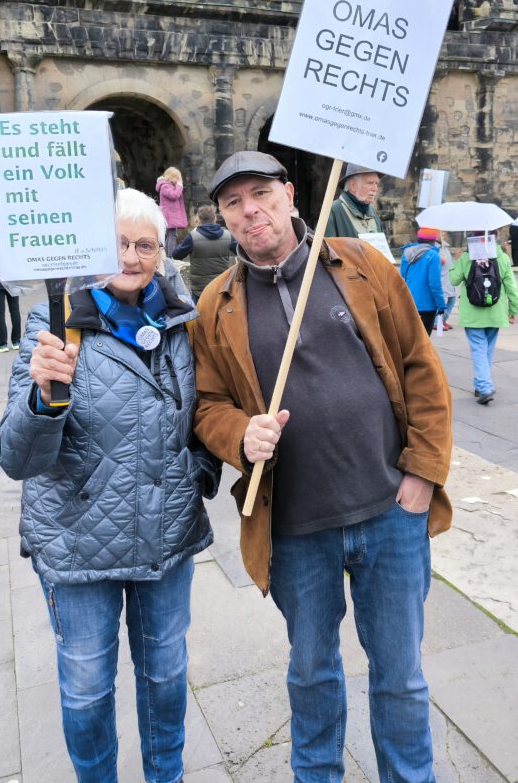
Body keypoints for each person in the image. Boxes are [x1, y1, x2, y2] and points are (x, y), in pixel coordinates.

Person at [191, 151, 452, 783]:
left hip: (390, 512)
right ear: (223, 217)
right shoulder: (215, 304)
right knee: (311, 674)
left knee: (401, 677)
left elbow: (421, 367)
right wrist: (239, 435)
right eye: (234, 202)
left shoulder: (360, 265)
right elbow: (207, 404)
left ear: (290, 195)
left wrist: (421, 474)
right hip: (295, 527)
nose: (250, 210)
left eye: (261, 193)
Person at [0, 189, 220, 783]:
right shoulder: (55, 319)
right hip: (77, 542)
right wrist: (44, 398)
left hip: (165, 537)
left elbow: (205, 412)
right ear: (91, 247)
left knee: (166, 677)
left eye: (145, 244)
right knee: (88, 687)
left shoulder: (181, 318)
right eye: (118, 242)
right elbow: (16, 459)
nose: (131, 255)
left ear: (162, 250)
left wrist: (199, 472)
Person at [449, 229, 518, 404]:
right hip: (495, 312)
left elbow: (453, 280)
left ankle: (484, 387)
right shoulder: (501, 257)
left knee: (478, 349)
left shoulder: (466, 257)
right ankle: (482, 384)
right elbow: (511, 286)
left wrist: (455, 261)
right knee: (487, 349)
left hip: (473, 314)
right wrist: (513, 309)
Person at [172, 203, 236, 302]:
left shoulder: (192, 236)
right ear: (215, 218)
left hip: (200, 289)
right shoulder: (228, 235)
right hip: (222, 285)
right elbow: (239, 250)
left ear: (199, 220)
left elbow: (176, 255)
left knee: (199, 315)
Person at [399, 226, 446, 336]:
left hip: (408, 301)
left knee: (411, 338)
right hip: (427, 305)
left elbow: (402, 273)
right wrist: (441, 304)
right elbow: (434, 284)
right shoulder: (433, 255)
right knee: (423, 340)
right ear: (433, 241)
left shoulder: (406, 253)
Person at [324, 163, 385, 239]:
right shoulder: (332, 211)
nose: (375, 189)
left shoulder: (374, 215)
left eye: (376, 184)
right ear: (353, 186)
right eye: (370, 183)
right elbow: (324, 249)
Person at [155, 166, 188, 258]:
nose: (178, 180)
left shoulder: (168, 185)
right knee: (171, 235)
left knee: (170, 235)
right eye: (177, 177)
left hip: (170, 215)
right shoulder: (165, 186)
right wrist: (179, 185)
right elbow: (174, 195)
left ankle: (166, 256)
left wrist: (178, 185)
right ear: (171, 176)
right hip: (169, 215)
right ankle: (170, 256)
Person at [439, 232, 457, 330]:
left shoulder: (444, 247)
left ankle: (443, 320)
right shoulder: (435, 248)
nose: (443, 234)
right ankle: (438, 322)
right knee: (441, 301)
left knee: (452, 299)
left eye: (443, 231)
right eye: (440, 232)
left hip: (449, 279)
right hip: (442, 280)